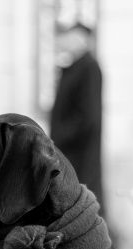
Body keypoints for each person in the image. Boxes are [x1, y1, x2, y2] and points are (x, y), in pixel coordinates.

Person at [48, 22, 105, 223]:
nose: (66, 41)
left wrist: (63, 136)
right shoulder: (74, 67)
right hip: (69, 151)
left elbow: (88, 116)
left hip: (78, 152)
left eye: (71, 36)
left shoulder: (88, 67)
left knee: (83, 202)